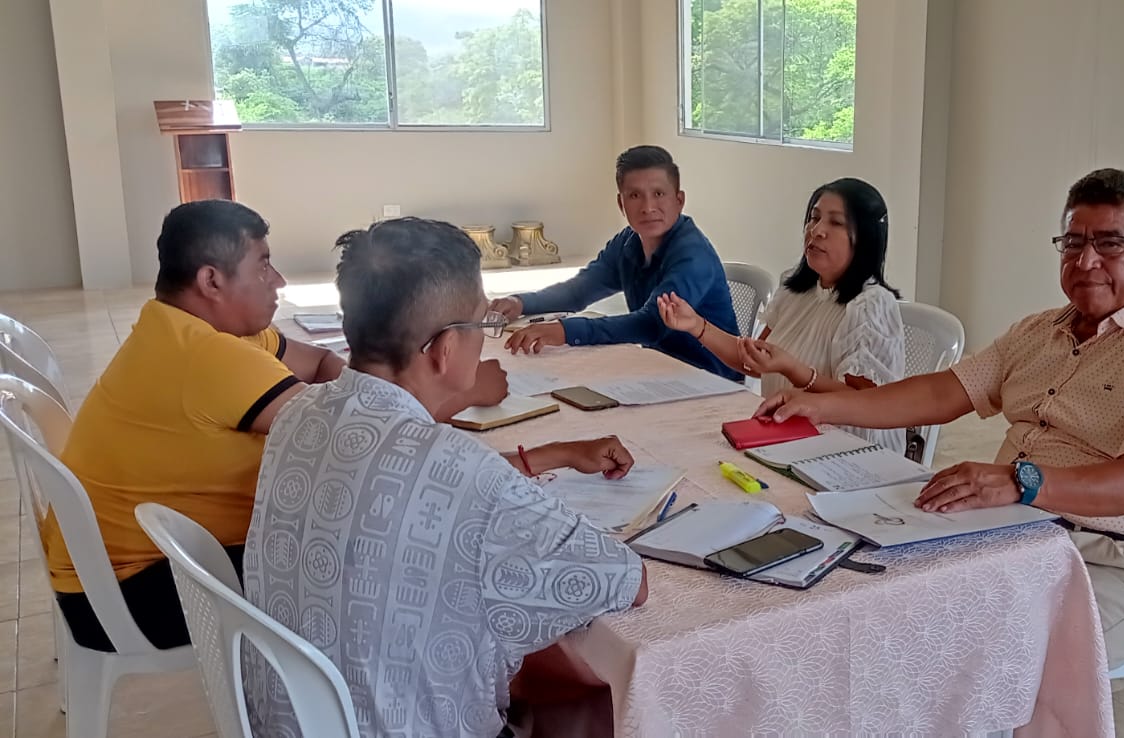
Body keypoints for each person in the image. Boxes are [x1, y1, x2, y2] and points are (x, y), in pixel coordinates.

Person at [756, 169, 1124, 665]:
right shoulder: (1038, 332)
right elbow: (943, 392)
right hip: (1007, 530)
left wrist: (1020, 481)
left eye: (1111, 244)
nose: (1086, 261)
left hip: (1110, 560)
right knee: (863, 601)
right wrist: (821, 403)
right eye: (1073, 242)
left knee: (973, 657)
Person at [45, 201, 509, 654]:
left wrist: (374, 390)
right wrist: (462, 392)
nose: (279, 281)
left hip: (112, 571)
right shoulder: (208, 358)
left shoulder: (187, 327)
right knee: (384, 549)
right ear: (211, 280)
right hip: (126, 595)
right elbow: (360, 446)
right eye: (263, 265)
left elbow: (323, 364)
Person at [244, 217, 647, 738]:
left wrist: (555, 455)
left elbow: (418, 478)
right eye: (482, 324)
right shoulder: (464, 471)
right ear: (444, 348)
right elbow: (628, 581)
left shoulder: (300, 415)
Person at [657, 177, 907, 452]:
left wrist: (794, 370)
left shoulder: (870, 305)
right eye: (814, 218)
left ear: (865, 239)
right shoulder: (796, 291)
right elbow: (754, 362)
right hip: (789, 440)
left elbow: (868, 405)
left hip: (850, 455)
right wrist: (696, 325)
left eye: (836, 223)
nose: (817, 231)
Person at [491, 145, 742, 380]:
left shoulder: (693, 255)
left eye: (658, 194)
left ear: (679, 200)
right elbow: (579, 291)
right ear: (621, 204)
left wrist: (566, 331)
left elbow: (650, 325)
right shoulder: (628, 241)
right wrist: (520, 302)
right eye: (635, 195)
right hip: (657, 370)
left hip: (711, 381)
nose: (648, 207)